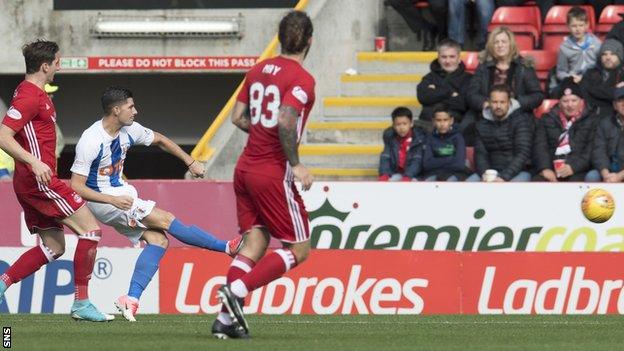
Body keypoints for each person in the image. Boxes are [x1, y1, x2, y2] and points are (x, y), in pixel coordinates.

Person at [69, 86, 243, 322]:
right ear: (115, 109)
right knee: (165, 219)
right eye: (130, 107)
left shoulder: (130, 129)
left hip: (120, 195)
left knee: (159, 240)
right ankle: (226, 248)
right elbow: (76, 186)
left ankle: (130, 299)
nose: (135, 111)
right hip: (107, 200)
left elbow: (159, 139)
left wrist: (190, 161)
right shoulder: (91, 140)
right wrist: (112, 200)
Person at [214, 10, 316, 339]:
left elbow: (238, 117)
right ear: (310, 41)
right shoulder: (302, 79)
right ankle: (239, 292)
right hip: (272, 172)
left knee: (254, 244)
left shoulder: (257, 70)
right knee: (299, 249)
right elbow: (287, 120)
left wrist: (260, 131)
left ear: (279, 37)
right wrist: (296, 163)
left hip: (244, 169)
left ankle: (225, 321)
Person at [0, 40, 112, 322]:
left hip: (33, 181)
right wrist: (34, 162)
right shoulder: (29, 96)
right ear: (45, 66)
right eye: (57, 62)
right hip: (40, 181)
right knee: (90, 231)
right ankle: (82, 303)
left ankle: (1, 284)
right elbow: (2, 135)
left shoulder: (32, 93)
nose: (59, 66)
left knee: (54, 247)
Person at [533, 78, 600, 182]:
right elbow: (540, 146)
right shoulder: (547, 118)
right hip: (551, 169)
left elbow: (590, 150)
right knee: (537, 182)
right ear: (559, 103)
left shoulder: (592, 119)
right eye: (565, 101)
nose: (570, 105)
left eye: (574, 100)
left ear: (581, 101)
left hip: (579, 170)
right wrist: (545, 168)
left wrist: (573, 167)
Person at [467, 26, 544, 117]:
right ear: (492, 46)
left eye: (504, 42)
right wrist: (485, 104)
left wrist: (516, 103)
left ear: (511, 44)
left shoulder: (524, 66)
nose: (500, 45)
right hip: (487, 112)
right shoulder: (483, 66)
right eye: (496, 42)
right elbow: (471, 94)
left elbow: (537, 96)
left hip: (517, 114)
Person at [467, 84, 533, 182]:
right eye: (494, 102)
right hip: (491, 173)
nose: (498, 106)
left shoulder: (521, 121)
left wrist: (504, 177)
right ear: (488, 102)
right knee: (467, 185)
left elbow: (523, 153)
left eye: (502, 102)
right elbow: (480, 154)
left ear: (509, 102)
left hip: (518, 172)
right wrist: (485, 173)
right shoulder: (481, 124)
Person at [416, 39, 472, 129]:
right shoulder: (429, 78)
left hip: (455, 127)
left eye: (452, 57)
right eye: (444, 57)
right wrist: (449, 93)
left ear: (459, 58)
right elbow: (423, 97)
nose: (448, 61)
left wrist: (435, 94)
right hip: (427, 124)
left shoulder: (468, 79)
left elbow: (462, 104)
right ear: (438, 58)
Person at [550, 6, 601, 96]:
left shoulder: (596, 43)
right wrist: (570, 77)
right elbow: (560, 72)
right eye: (574, 26)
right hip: (573, 82)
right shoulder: (564, 47)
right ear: (568, 26)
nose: (577, 29)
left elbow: (601, 67)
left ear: (587, 25)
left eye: (581, 25)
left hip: (592, 81)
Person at [420, 104, 469, 181]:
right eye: (438, 120)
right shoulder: (429, 138)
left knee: (449, 181)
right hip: (433, 173)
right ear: (433, 121)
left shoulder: (458, 137)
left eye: (445, 120)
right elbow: (427, 164)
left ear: (451, 121)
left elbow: (459, 164)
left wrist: (437, 161)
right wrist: (450, 159)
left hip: (454, 174)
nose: (442, 124)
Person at [378, 107, 425, 181]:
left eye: (405, 124)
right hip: (396, 173)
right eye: (398, 124)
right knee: (389, 182)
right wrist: (384, 174)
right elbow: (385, 157)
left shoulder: (418, 139)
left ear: (411, 123)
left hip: (414, 175)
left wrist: (408, 176)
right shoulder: (390, 138)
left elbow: (417, 161)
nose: (402, 127)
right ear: (393, 125)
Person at [580, 39, 624, 119]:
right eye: (604, 54)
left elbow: (619, 97)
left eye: (612, 54)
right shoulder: (590, 73)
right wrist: (614, 90)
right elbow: (584, 95)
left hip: (614, 118)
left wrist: (593, 91)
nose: (608, 57)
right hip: (590, 117)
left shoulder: (622, 73)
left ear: (619, 56)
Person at [589, 86, 624, 182]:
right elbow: (598, 151)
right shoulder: (605, 123)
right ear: (614, 105)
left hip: (622, 173)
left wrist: (619, 176)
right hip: (609, 171)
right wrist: (605, 173)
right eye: (620, 100)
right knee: (592, 176)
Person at [44, 83, 65, 159]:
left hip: (52, 156)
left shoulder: (49, 109)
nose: (51, 96)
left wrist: (55, 153)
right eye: (48, 93)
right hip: (43, 157)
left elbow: (60, 140)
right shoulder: (40, 110)